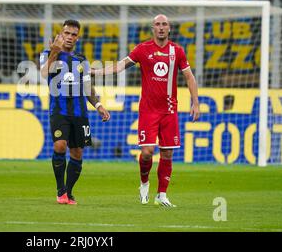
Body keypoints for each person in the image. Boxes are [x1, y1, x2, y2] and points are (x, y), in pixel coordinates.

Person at [92, 14, 200, 207]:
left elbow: (189, 77)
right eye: (157, 24)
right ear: (152, 28)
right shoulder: (143, 49)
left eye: (164, 24)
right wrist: (95, 72)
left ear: (169, 28)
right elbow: (119, 67)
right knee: (148, 152)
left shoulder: (177, 51)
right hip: (149, 111)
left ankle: (162, 194)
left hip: (169, 111)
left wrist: (196, 102)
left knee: (167, 154)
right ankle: (144, 184)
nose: (161, 27)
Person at [40, 20, 110, 205]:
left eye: (73, 34)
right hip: (59, 110)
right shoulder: (48, 54)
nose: (69, 37)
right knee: (59, 146)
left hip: (80, 113)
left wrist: (99, 105)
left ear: (77, 38)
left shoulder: (81, 60)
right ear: (60, 34)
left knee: (77, 153)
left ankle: (69, 193)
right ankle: (60, 190)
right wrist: (55, 50)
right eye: (66, 33)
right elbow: (44, 73)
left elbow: (88, 87)